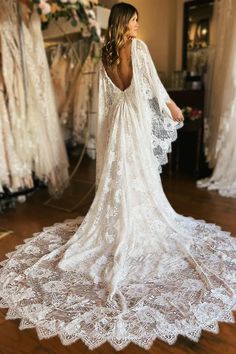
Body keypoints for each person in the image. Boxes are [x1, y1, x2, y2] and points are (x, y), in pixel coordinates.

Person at [0, 2, 235, 351]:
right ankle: (136, 217)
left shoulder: (104, 55)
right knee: (139, 174)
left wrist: (104, 137)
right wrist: (173, 109)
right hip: (135, 120)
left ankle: (118, 215)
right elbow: (153, 86)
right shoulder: (138, 49)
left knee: (118, 176)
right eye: (135, 20)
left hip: (115, 122)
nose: (138, 26)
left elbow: (106, 102)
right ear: (125, 22)